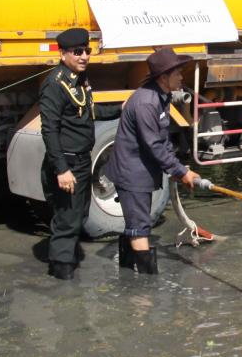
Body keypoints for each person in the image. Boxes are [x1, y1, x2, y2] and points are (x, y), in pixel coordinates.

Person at [105, 47, 199, 275]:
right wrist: (182, 172)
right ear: (164, 77)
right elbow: (153, 145)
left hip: (140, 170)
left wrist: (178, 169)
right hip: (132, 173)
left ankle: (127, 280)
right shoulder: (147, 102)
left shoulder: (160, 96)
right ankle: (147, 292)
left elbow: (162, 138)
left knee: (136, 226)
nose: (181, 77)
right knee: (140, 229)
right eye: (177, 73)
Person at [37, 27, 94, 280]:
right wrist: (62, 169)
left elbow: (85, 115)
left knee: (78, 216)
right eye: (77, 52)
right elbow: (49, 129)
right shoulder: (55, 84)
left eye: (87, 51)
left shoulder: (78, 80)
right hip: (68, 163)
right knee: (67, 223)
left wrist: (120, 109)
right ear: (63, 54)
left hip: (81, 160)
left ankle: (66, 269)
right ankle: (62, 282)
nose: (84, 56)